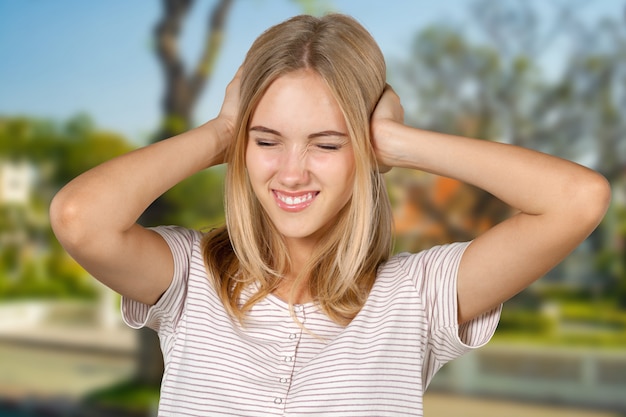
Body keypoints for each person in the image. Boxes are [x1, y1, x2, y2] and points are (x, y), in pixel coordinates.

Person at [50, 13, 610, 417]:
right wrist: (223, 130)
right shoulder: (188, 277)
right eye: (267, 140)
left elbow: (578, 199)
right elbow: (79, 217)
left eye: (327, 144)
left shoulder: (418, 296)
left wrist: (392, 140)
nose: (292, 174)